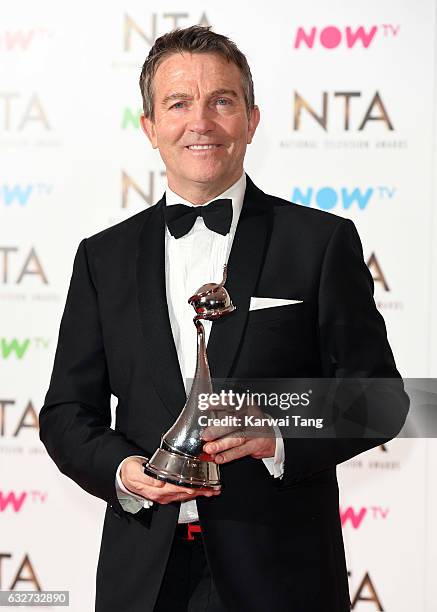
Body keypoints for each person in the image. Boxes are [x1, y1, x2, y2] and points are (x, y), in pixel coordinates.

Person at [39, 26, 409, 612]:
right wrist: (124, 472)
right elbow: (65, 414)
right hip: (143, 580)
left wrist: (280, 436)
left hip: (282, 577)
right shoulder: (100, 257)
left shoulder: (320, 242)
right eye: (178, 103)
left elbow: (382, 401)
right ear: (150, 127)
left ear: (252, 120)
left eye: (222, 101)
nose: (201, 121)